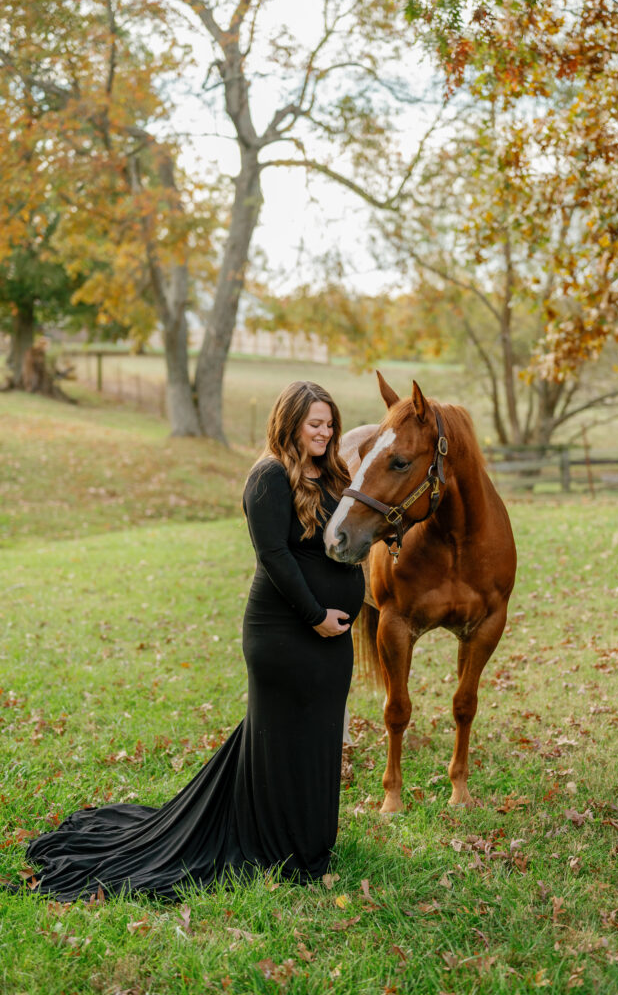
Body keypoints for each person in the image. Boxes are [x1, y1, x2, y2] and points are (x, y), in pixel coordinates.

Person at [16, 381, 365, 901]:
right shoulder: (268, 476)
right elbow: (275, 558)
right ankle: (277, 845)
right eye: (315, 423)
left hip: (331, 642)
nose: (325, 431)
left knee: (316, 736)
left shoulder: (334, 472)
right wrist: (316, 615)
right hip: (284, 634)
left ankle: (311, 839)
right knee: (282, 735)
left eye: (330, 423)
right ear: (289, 422)